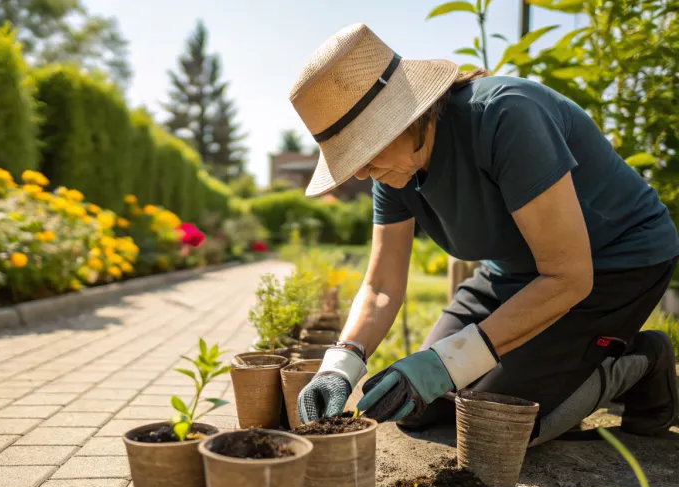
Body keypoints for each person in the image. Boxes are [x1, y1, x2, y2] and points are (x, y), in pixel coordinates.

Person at [291, 23, 679, 445]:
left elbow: (569, 276)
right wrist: (340, 363)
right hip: (515, 272)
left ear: (406, 114)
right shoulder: (393, 172)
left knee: (498, 428)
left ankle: (641, 360)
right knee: (424, 410)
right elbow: (382, 285)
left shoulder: (506, 117)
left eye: (364, 150)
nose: (361, 172)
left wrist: (447, 363)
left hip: (614, 264)